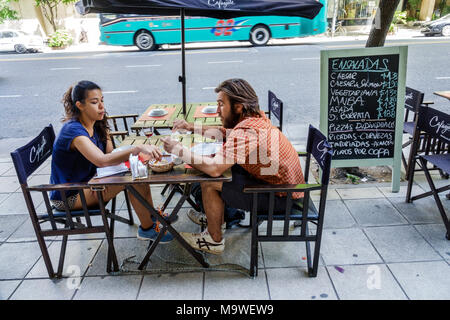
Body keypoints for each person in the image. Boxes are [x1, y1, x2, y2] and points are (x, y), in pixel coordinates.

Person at [161, 78, 305, 254]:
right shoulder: (253, 118)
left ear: (238, 106)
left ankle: (213, 240)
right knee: (219, 171)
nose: (217, 111)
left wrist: (178, 149)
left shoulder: (246, 131)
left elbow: (214, 169)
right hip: (283, 186)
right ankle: (214, 219)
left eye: (221, 104)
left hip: (283, 197)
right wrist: (190, 126)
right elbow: (223, 133)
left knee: (210, 181)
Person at [50, 80, 173, 243]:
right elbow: (102, 161)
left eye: (102, 100)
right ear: (80, 105)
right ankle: (147, 229)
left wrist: (134, 154)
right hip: (69, 194)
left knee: (138, 171)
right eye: (95, 102)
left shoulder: (96, 123)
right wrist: (136, 149)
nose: (101, 106)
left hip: (90, 181)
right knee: (132, 180)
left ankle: (151, 217)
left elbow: (110, 154)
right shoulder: (72, 131)